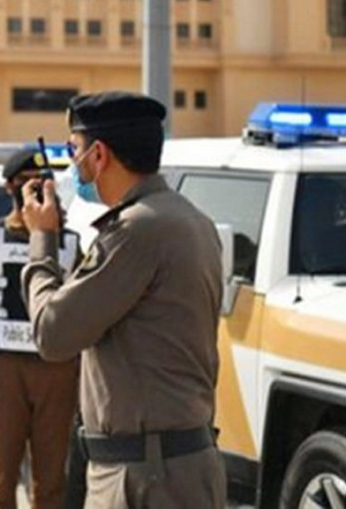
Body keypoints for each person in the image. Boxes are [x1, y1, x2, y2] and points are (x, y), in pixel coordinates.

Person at [20, 91, 226, 509]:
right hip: (172, 464)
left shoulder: (137, 230)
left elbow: (52, 333)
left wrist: (42, 240)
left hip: (146, 476)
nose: (70, 164)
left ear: (98, 155)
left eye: (72, 150)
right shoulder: (186, 218)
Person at [0, 148, 83, 509]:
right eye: (26, 183)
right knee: (1, 478)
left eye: (42, 183)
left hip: (56, 370)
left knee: (51, 482)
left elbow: (83, 309)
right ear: (9, 188)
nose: (35, 190)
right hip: (4, 369)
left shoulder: (71, 242)